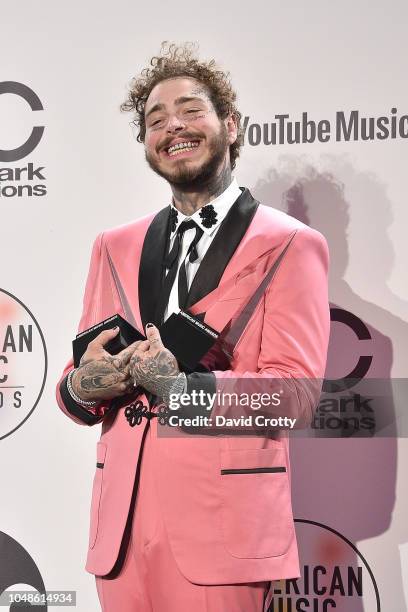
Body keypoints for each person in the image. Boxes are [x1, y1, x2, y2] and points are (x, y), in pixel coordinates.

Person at [55, 42, 330, 612]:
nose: (173, 127)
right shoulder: (113, 245)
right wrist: (83, 387)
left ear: (231, 125)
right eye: (156, 120)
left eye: (190, 111)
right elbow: (75, 383)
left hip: (224, 529)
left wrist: (182, 391)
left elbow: (297, 399)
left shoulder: (291, 245)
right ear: (147, 145)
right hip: (122, 533)